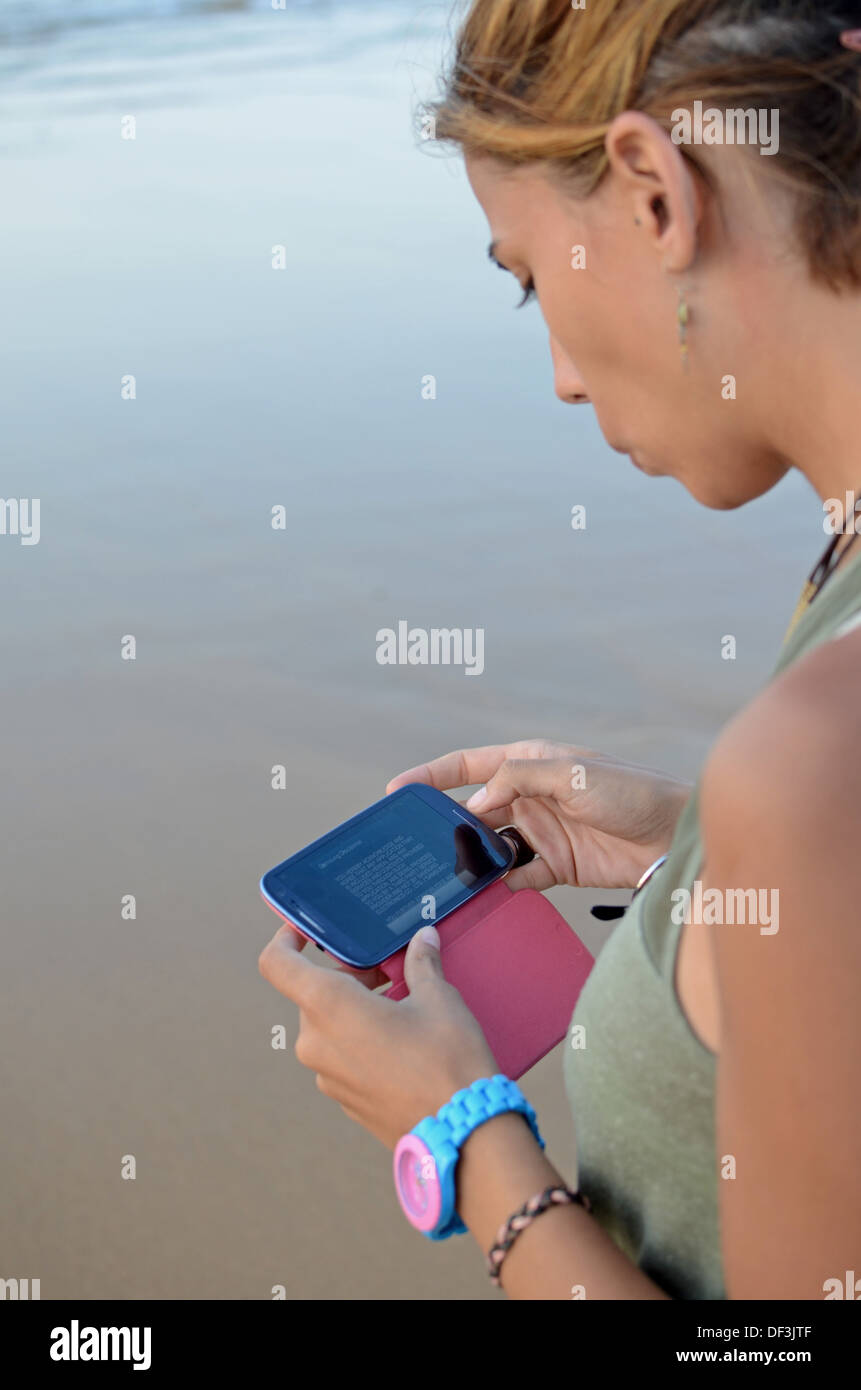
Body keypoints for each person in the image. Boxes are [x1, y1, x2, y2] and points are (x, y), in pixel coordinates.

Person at [258, 0, 861, 1299]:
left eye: (528, 275)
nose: (560, 380)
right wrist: (700, 857)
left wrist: (463, 1134)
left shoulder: (816, 760)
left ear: (653, 192)